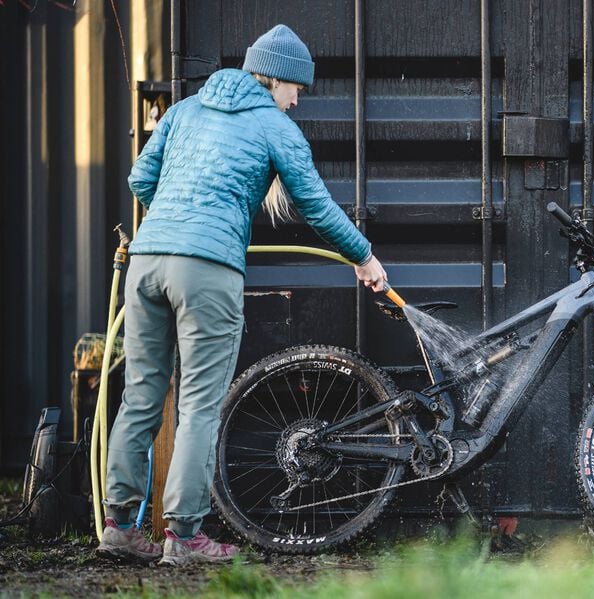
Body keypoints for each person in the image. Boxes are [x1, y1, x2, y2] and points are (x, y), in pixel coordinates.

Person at [95, 24, 388, 566]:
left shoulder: (184, 110)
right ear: (274, 79)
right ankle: (183, 537)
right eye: (296, 88)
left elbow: (141, 179)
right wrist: (365, 258)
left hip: (147, 261)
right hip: (206, 271)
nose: (298, 100)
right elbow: (318, 208)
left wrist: (179, 215)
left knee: (139, 395)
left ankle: (118, 526)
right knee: (200, 404)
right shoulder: (273, 127)